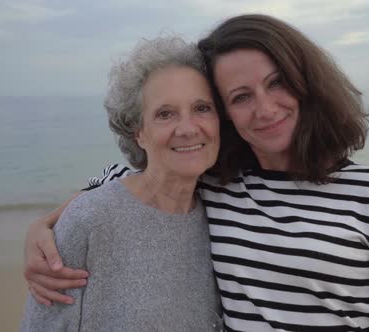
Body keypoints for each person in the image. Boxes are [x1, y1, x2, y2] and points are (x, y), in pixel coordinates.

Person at [23, 14, 369, 332]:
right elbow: (132, 178)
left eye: (277, 82)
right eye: (240, 96)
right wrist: (46, 227)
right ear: (226, 114)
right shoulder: (220, 184)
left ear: (306, 81)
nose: (266, 108)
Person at [20, 36, 223, 331]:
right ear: (138, 132)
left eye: (202, 108)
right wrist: (44, 224)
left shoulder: (222, 213)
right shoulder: (88, 221)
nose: (188, 128)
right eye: (165, 114)